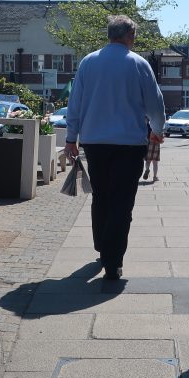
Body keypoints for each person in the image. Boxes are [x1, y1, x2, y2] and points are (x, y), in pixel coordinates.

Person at [63, 15, 166, 280]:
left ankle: (102, 246)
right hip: (129, 144)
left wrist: (71, 137)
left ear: (110, 34)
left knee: (101, 197)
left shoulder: (88, 62)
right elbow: (155, 103)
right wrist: (157, 130)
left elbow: (75, 102)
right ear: (129, 35)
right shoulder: (139, 64)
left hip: (95, 142)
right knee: (122, 202)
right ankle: (113, 259)